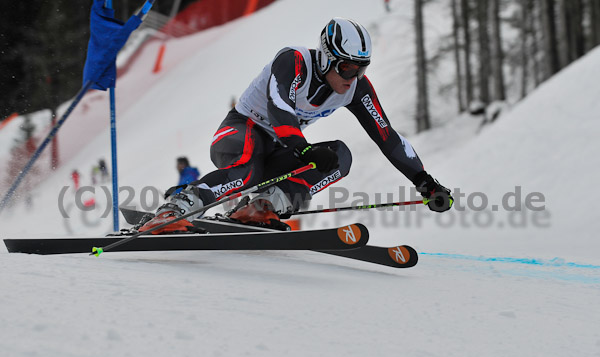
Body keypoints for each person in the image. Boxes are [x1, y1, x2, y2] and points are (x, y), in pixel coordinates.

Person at [139, 17, 453, 234]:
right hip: (240, 133)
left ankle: (261, 207)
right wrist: (304, 149)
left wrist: (423, 180)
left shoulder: (357, 88)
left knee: (340, 157)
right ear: (329, 57)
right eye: (346, 68)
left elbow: (388, 137)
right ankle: (175, 209)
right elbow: (279, 111)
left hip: (279, 147)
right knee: (249, 167)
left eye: (360, 70)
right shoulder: (293, 61)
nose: (352, 78)